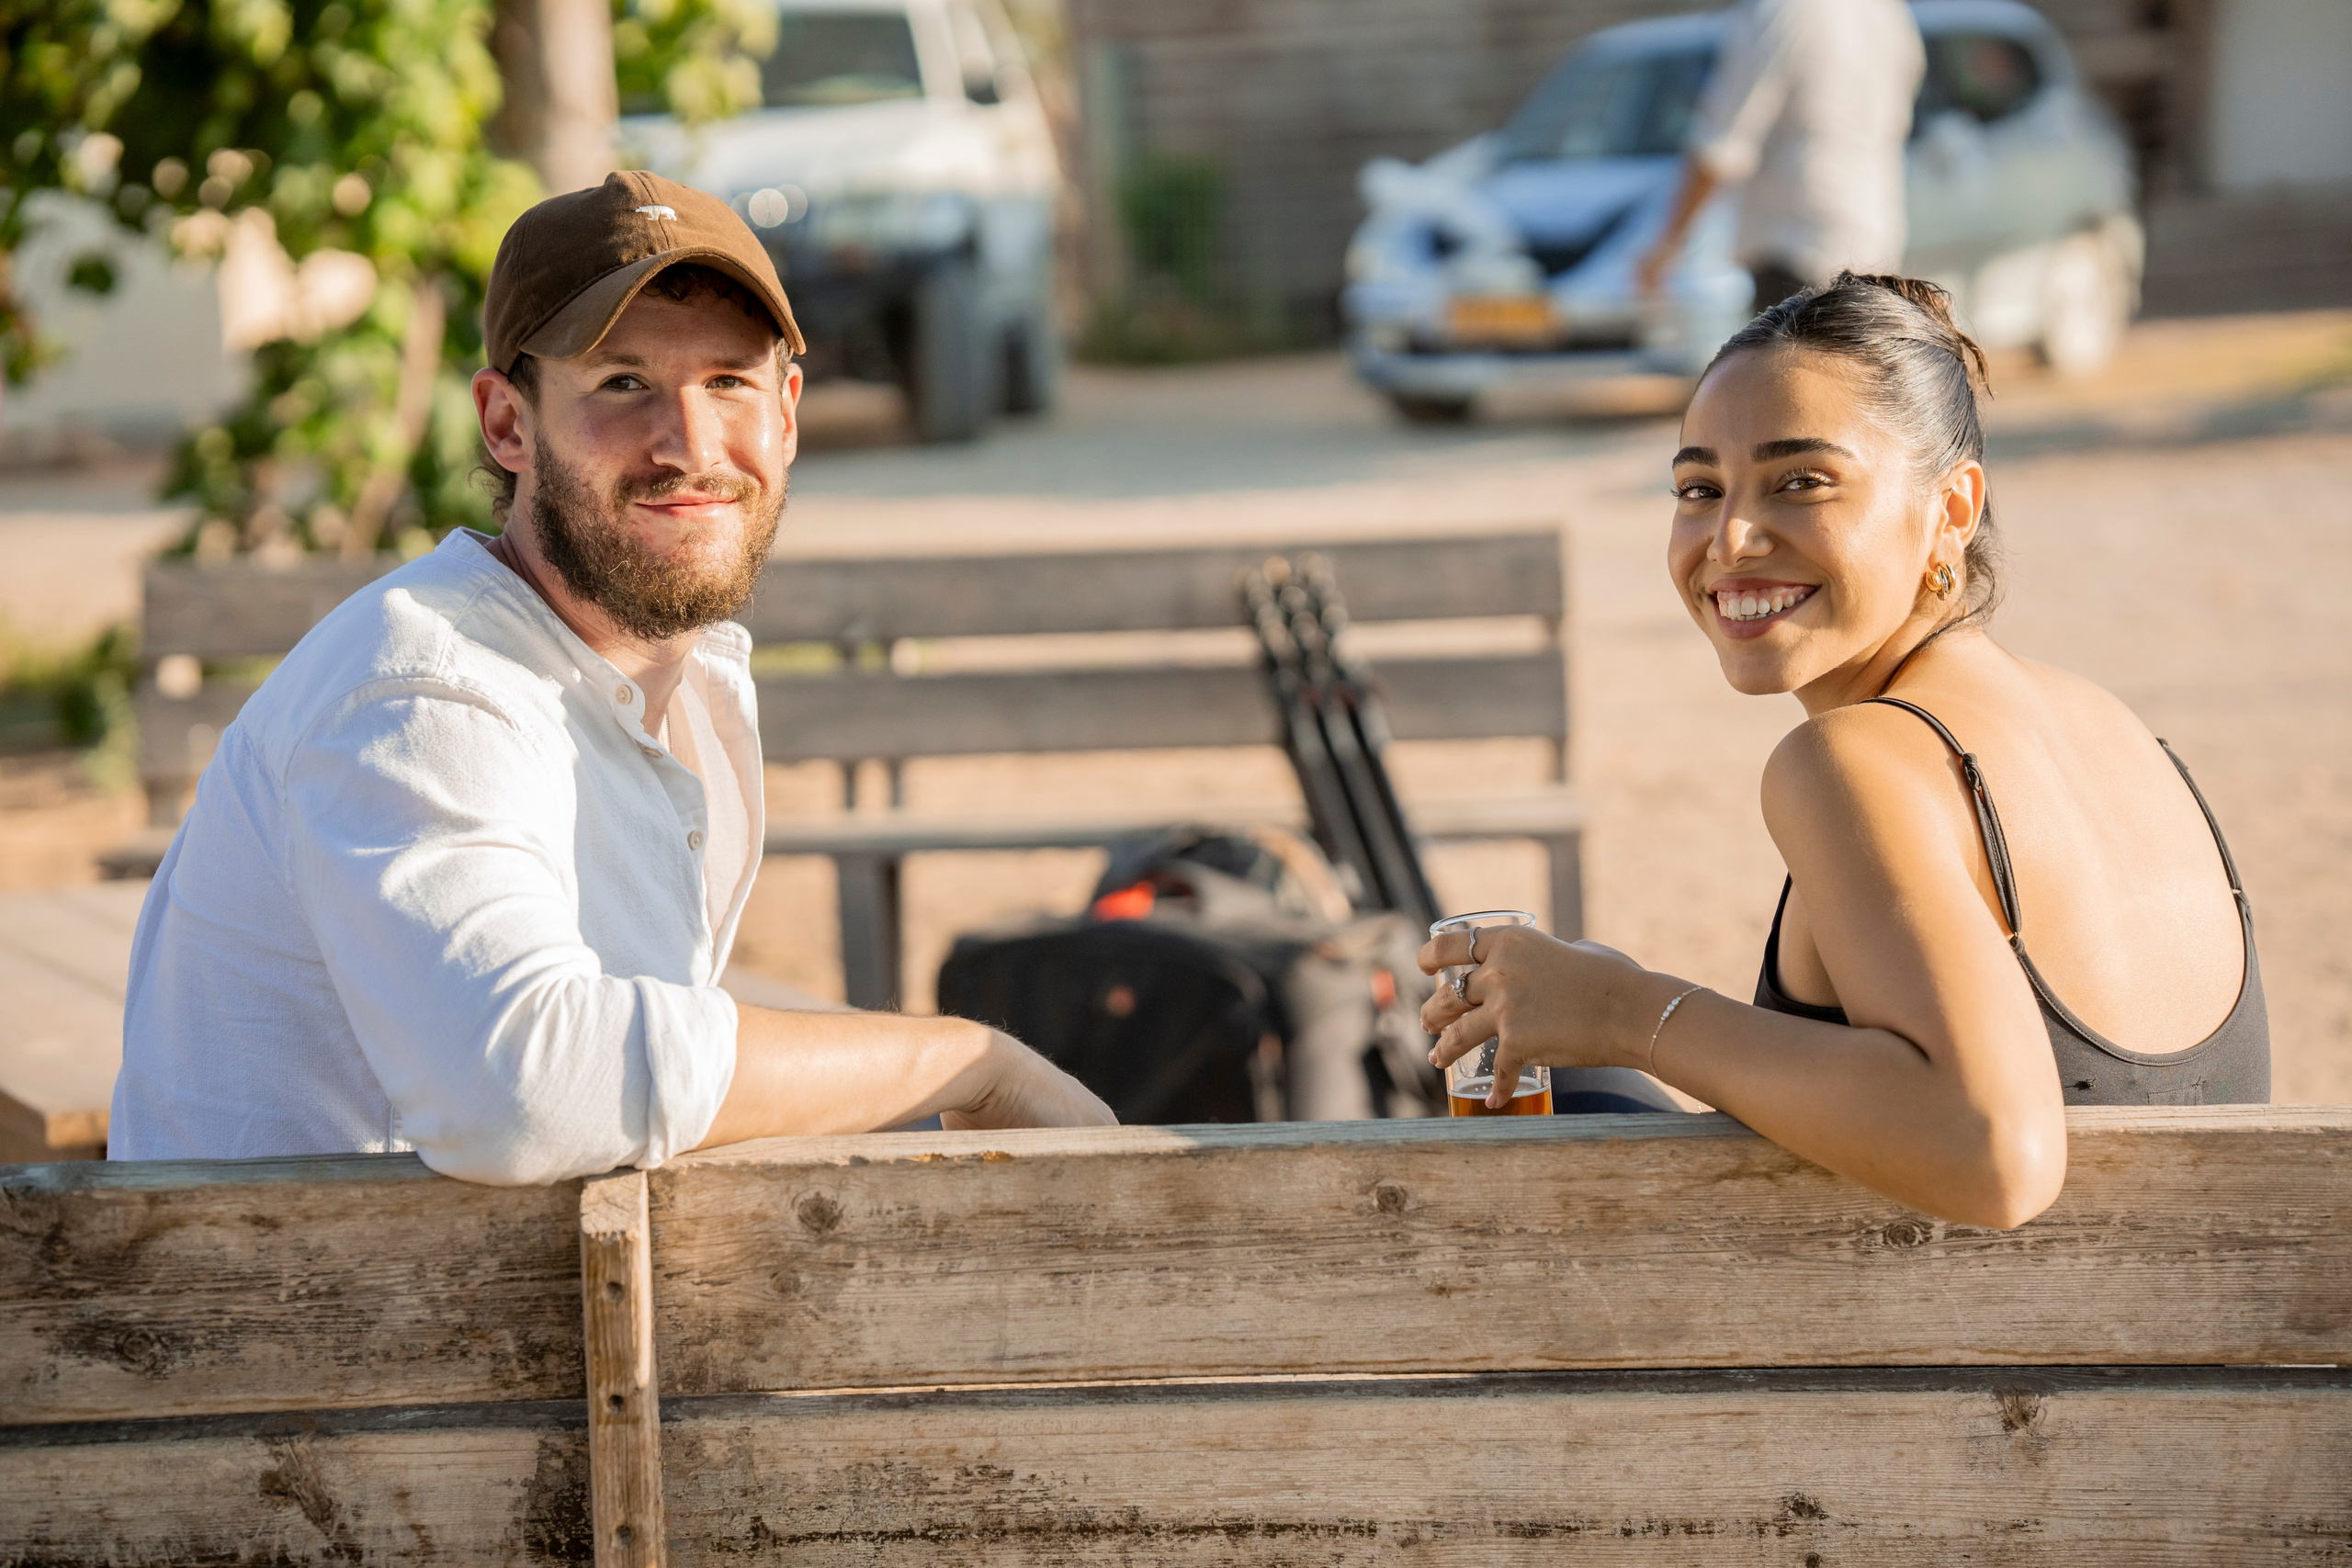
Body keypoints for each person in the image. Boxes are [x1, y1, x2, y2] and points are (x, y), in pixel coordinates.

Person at [110, 172, 1114, 1182]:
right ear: (508, 425)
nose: (688, 443)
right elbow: (526, 1093)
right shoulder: (421, 687)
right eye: (621, 383)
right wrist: (968, 1063)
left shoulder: (677, 681)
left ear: (788, 415)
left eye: (729, 381)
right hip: (302, 1327)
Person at [1419, 273, 2267, 1228]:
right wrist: (1595, 996)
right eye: (1699, 488)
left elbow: (1995, 1154)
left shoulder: (1853, 759)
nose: (1730, 539)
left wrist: (1628, 1014)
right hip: (2185, 1349)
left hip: (1966, 1370)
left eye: (1800, 481)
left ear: (1951, 509)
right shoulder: (2113, 728)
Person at [1636, 0, 1925, 314]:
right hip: (1873, 232)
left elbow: (1722, 145)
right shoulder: (1886, 12)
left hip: (1793, 242)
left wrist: (1667, 246)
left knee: (1786, 360)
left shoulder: (1782, 10)